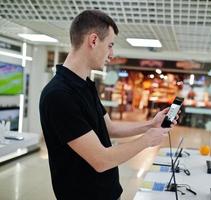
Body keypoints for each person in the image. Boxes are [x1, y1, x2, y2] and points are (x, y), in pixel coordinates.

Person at [39, 10, 175, 200]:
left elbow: (109, 127)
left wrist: (150, 125)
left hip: (108, 192)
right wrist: (147, 140)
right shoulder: (59, 95)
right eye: (110, 45)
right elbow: (101, 160)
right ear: (93, 41)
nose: (112, 54)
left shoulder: (85, 85)